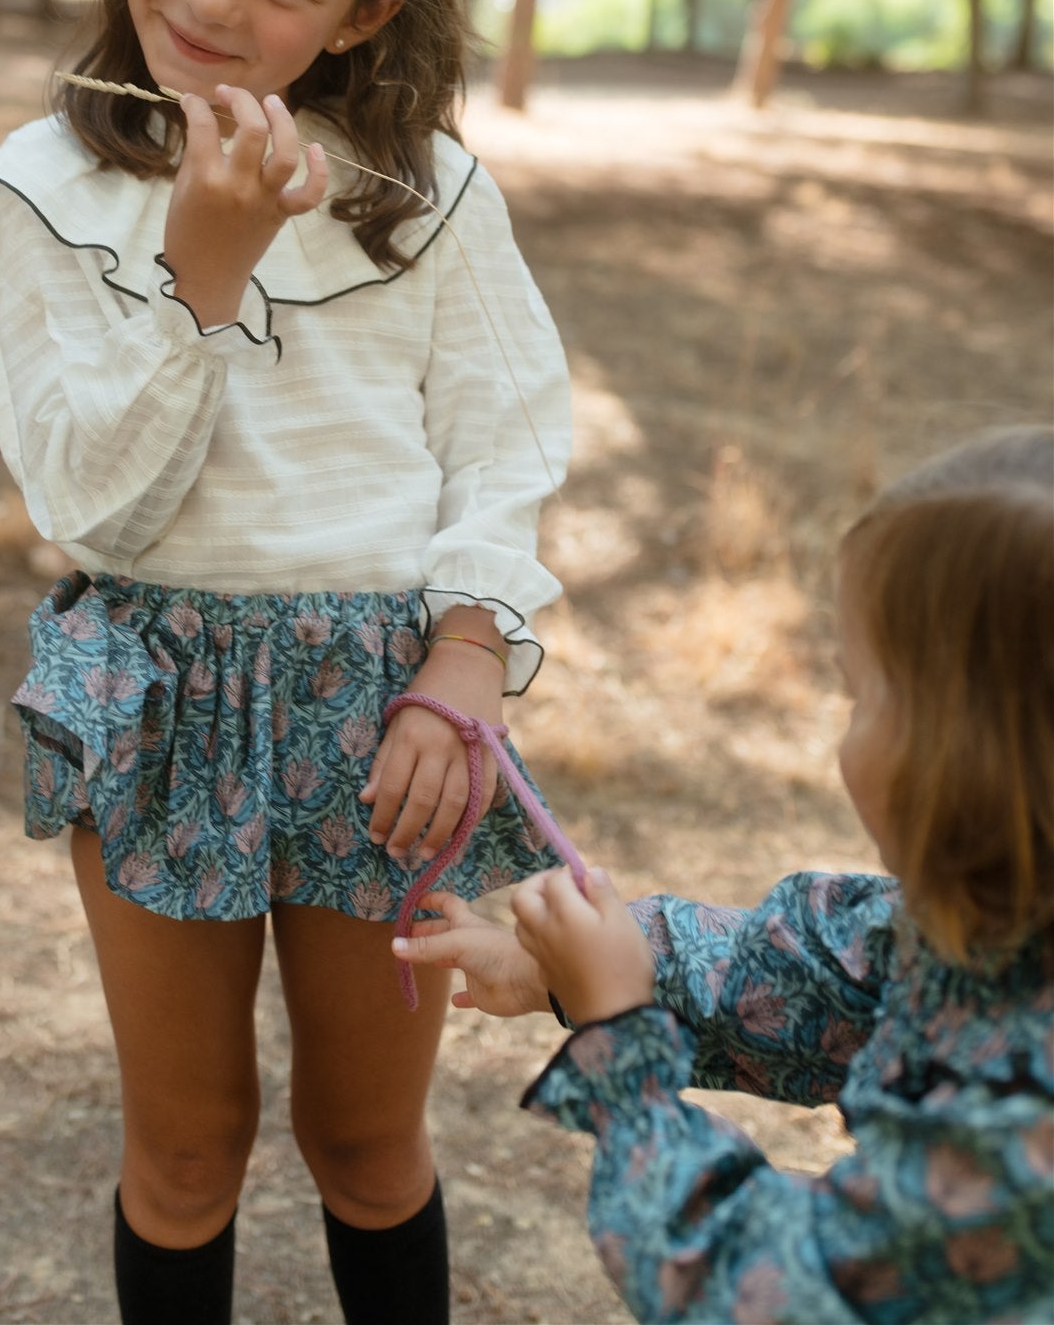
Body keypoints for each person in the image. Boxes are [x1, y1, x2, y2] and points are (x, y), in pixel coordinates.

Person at [0, 0, 571, 1325]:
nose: (218, 2)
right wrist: (203, 269)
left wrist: (462, 662)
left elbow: (503, 444)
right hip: (156, 694)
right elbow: (85, 504)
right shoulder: (35, 191)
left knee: (365, 1138)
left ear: (368, 10)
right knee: (189, 1146)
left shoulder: (426, 192)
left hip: (387, 715)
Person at [396, 428, 1054, 1323]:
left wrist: (619, 1042)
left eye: (859, 696)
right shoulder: (983, 928)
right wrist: (569, 968)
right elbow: (803, 977)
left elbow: (759, 1289)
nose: (843, 730)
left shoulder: (1018, 1126)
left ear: (965, 756)